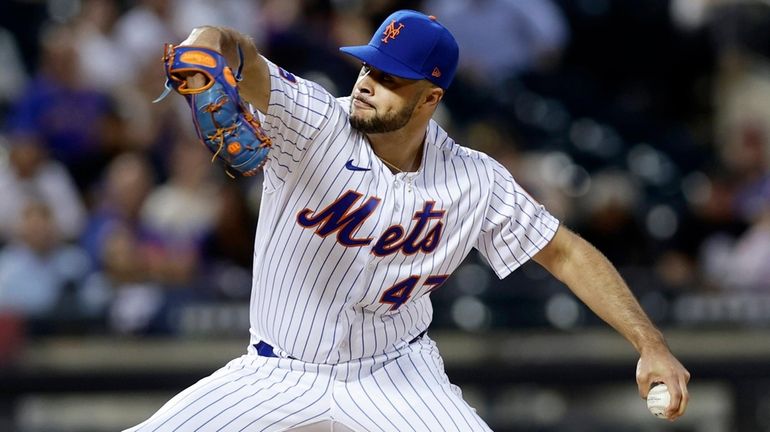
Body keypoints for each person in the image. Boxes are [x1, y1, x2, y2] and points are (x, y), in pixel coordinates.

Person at [126, 9, 690, 431]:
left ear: (430, 99)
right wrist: (207, 41)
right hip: (276, 372)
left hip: (396, 375)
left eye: (391, 77)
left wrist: (650, 343)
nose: (367, 82)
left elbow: (565, 252)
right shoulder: (316, 121)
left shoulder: (474, 180)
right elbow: (240, 54)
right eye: (369, 65)